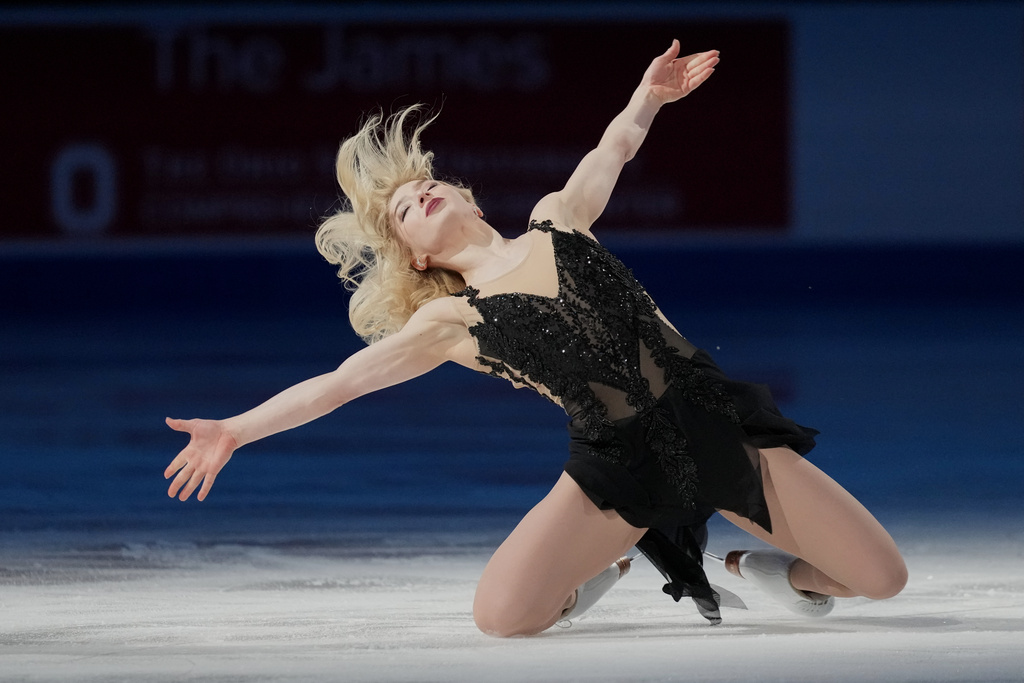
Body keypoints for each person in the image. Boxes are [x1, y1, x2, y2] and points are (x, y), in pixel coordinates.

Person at [164, 40, 907, 637]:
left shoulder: (559, 220)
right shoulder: (449, 321)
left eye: (423, 186)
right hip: (618, 469)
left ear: (463, 192)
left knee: (881, 578)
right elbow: (340, 383)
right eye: (400, 214)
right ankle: (596, 570)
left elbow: (609, 153)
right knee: (502, 617)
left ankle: (771, 570)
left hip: (713, 424)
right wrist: (235, 429)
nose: (417, 197)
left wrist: (647, 97)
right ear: (414, 256)